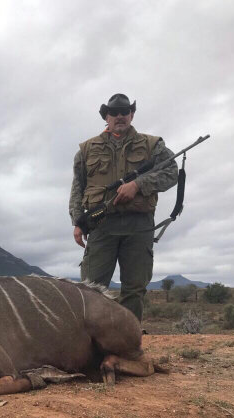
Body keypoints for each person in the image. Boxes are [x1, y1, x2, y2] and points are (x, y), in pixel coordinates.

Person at [69, 93, 178, 321]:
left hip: (138, 225)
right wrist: (78, 222)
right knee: (91, 289)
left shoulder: (152, 145)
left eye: (124, 111)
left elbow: (171, 173)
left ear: (132, 114)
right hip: (101, 224)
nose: (120, 116)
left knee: (134, 289)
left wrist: (139, 185)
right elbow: (78, 187)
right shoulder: (87, 149)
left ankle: (127, 347)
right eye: (114, 113)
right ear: (106, 116)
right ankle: (92, 348)